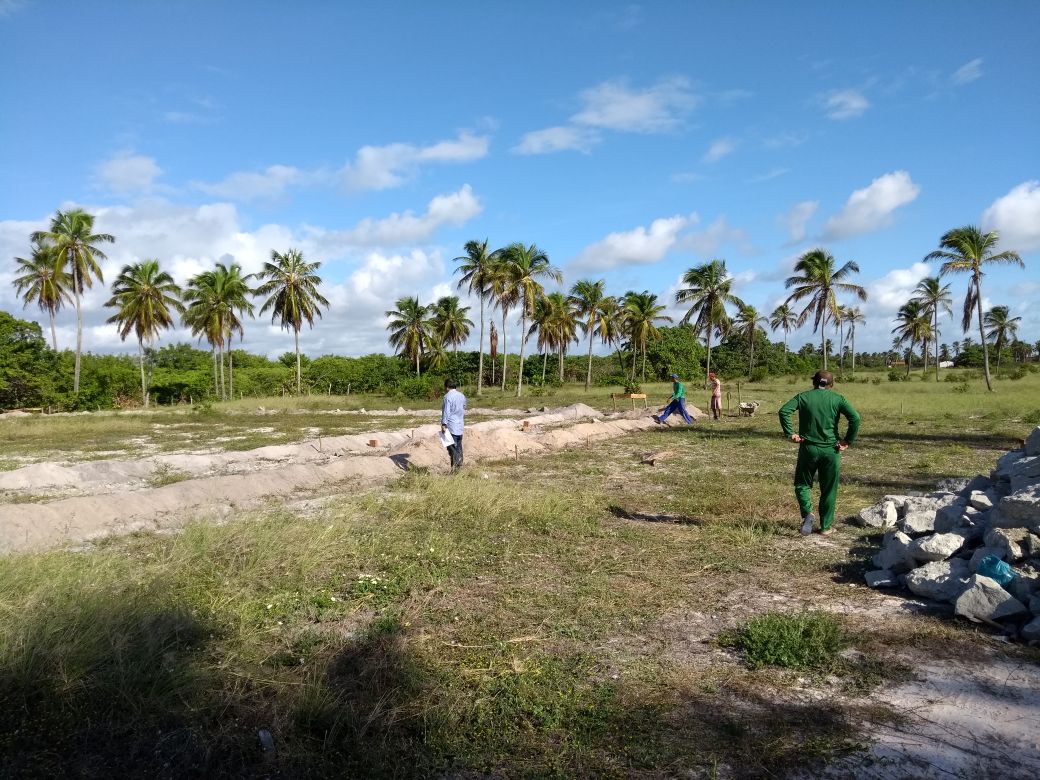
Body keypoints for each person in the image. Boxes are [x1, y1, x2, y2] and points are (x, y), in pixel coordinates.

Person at [778, 370, 861, 535]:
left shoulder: (803, 397)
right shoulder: (838, 399)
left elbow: (784, 411)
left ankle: (807, 513)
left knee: (802, 484)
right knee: (828, 489)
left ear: (813, 382)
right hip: (831, 450)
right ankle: (825, 527)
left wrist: (790, 433)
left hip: (808, 448)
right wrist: (847, 441)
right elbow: (855, 418)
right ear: (832, 384)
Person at [441, 378, 467, 472]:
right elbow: (464, 407)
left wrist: (444, 424)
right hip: (460, 425)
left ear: (447, 387)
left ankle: (456, 468)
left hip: (451, 426)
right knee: (458, 447)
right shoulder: (462, 395)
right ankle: (458, 468)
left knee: (452, 448)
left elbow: (446, 412)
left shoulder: (447, 397)